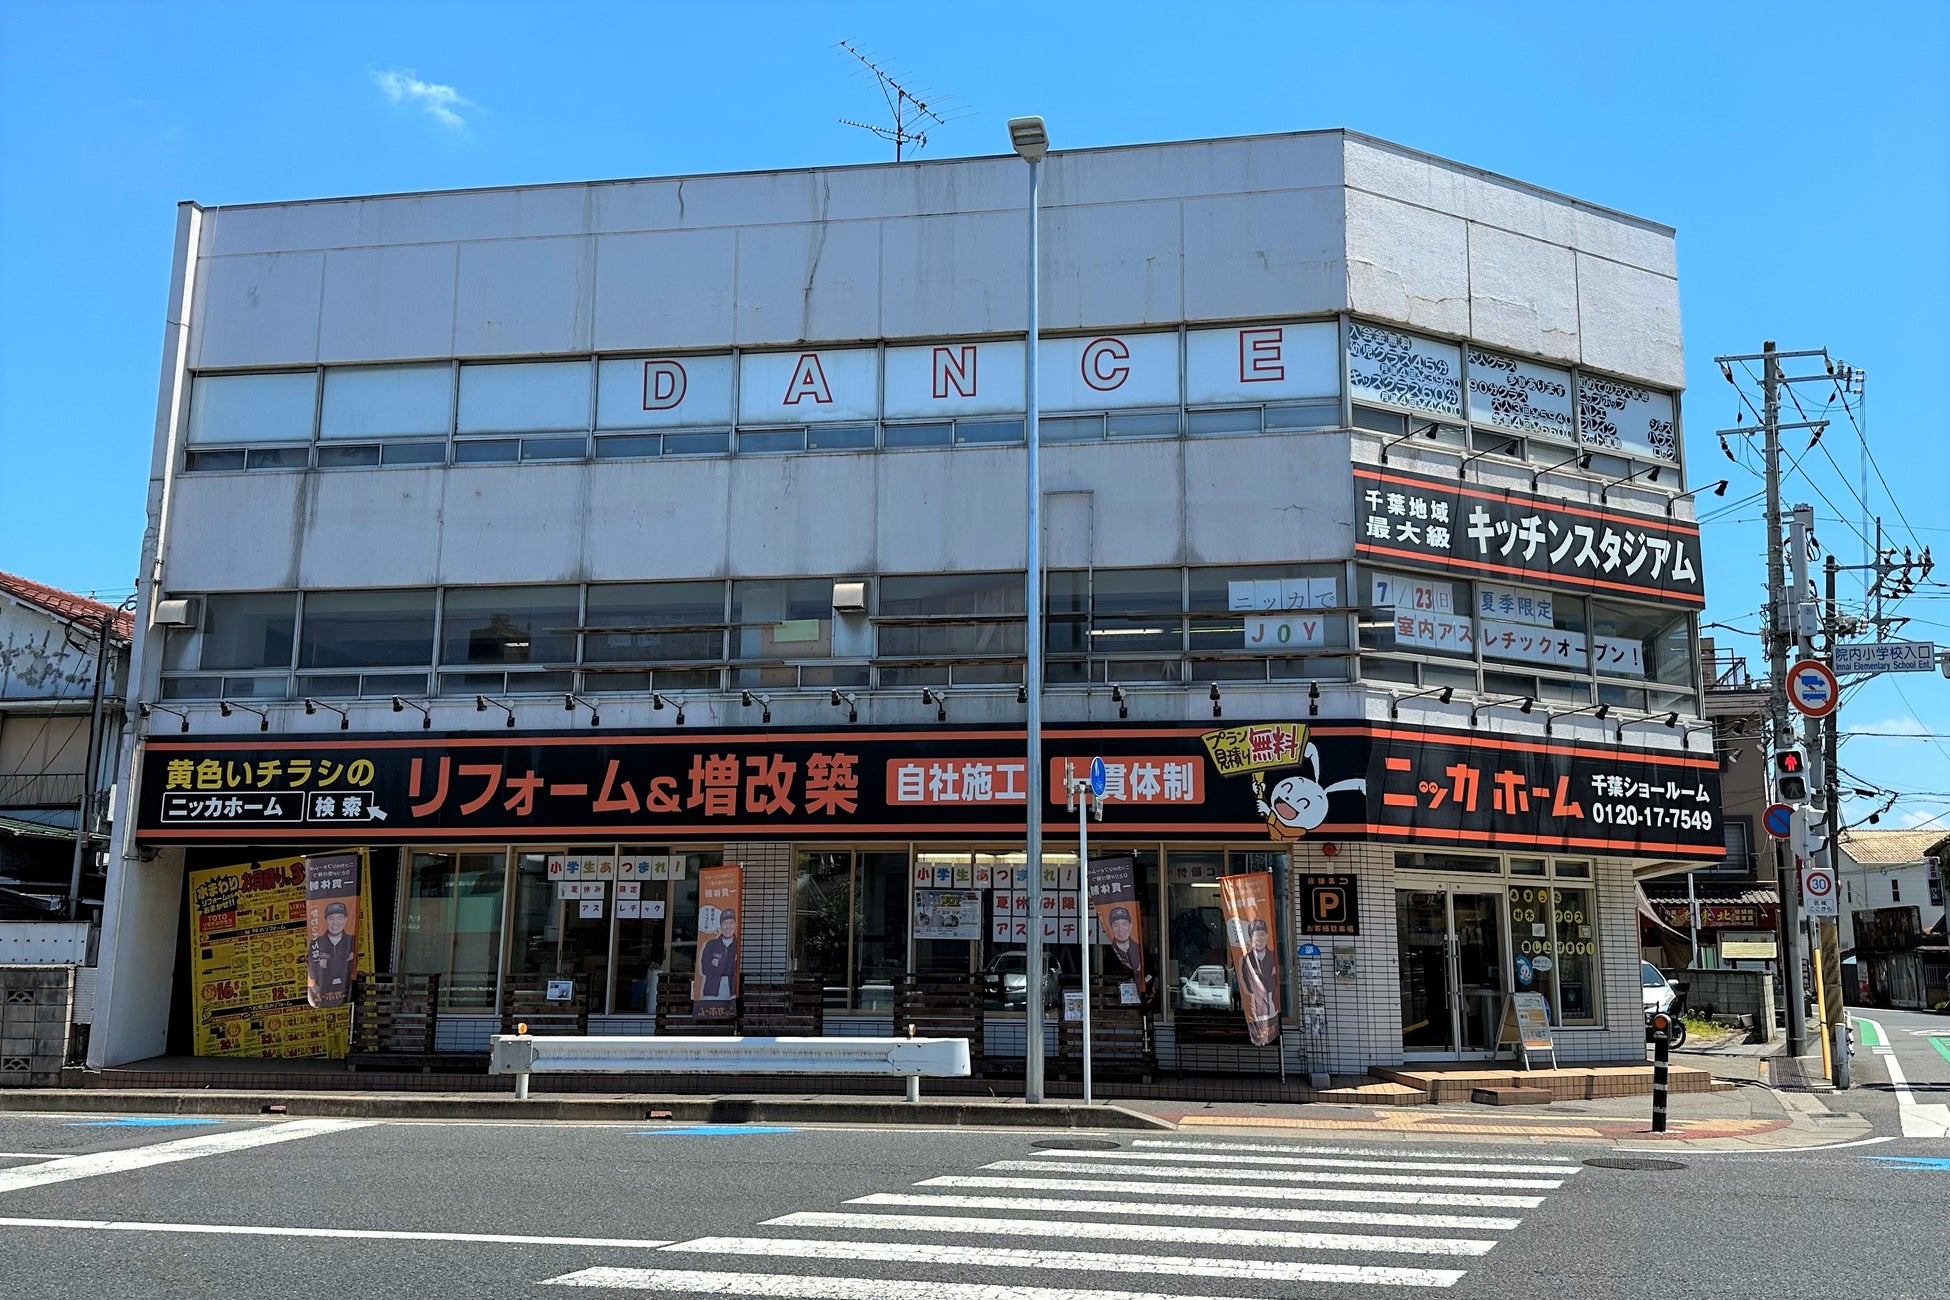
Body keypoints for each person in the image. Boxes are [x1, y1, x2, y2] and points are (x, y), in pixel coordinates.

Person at [307, 901, 357, 1009]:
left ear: (346, 919)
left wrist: (326, 966)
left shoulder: (352, 941)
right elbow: (312, 972)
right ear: (325, 920)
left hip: (347, 994)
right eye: (331, 918)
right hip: (323, 995)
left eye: (340, 917)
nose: (335, 922)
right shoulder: (317, 943)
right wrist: (344, 962)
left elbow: (355, 967)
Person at [1236, 918, 1280, 1023]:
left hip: (1273, 1006)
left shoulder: (1274, 956)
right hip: (1254, 1006)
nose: (1259, 938)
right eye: (1256, 935)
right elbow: (1242, 978)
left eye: (1262, 934)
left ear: (1267, 936)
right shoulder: (1246, 959)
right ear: (1251, 938)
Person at [693, 908, 739, 1004]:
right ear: (720, 926)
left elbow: (736, 969)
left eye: (731, 923)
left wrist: (718, 963)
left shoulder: (738, 945)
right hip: (711, 991)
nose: (728, 927)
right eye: (725, 923)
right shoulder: (711, 944)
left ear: (735, 925)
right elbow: (705, 969)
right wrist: (728, 963)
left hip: (732, 992)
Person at [1106, 906, 1146, 983]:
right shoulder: (1106, 950)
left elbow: (1149, 971)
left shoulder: (1139, 948)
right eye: (1116, 925)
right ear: (1110, 928)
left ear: (1130, 926)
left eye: (1124, 924)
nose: (1120, 929)